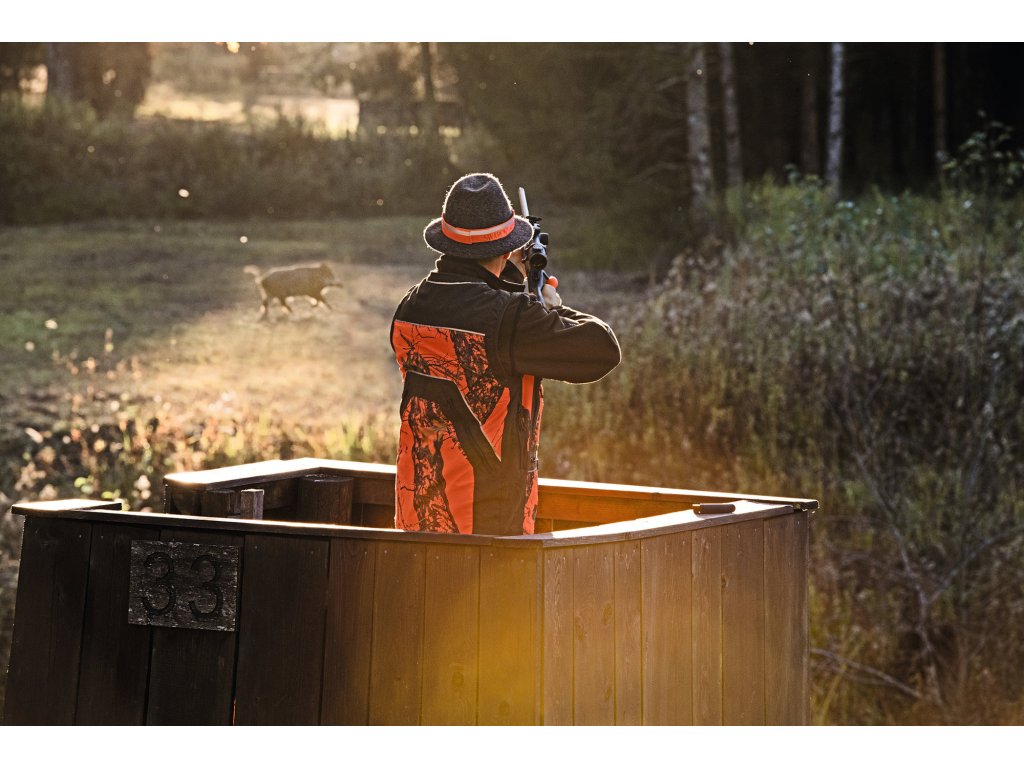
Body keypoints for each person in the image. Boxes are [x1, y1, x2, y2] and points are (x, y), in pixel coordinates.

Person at [390, 172, 620, 535]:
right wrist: (551, 308)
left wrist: (513, 286)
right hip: (488, 532)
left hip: (415, 521)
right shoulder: (512, 320)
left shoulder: (410, 306)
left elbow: (473, 311)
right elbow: (602, 349)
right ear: (503, 250)